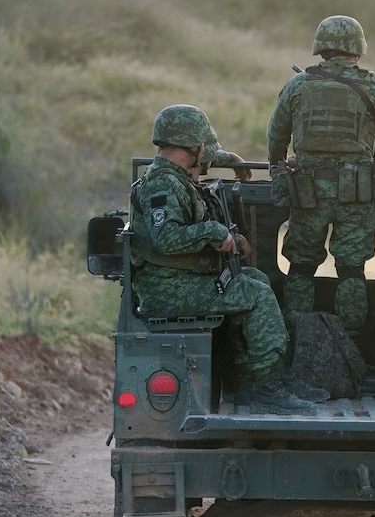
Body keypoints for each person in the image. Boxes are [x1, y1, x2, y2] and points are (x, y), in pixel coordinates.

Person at [130, 104, 316, 415]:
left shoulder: (174, 172)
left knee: (255, 279)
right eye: (205, 149)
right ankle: (266, 388)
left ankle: (251, 378)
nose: (207, 159)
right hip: (167, 290)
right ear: (192, 147)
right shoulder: (163, 184)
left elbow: (204, 156)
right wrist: (215, 232)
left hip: (177, 281)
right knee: (255, 295)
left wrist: (230, 159)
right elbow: (166, 239)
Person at [267, 15, 375, 335]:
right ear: (358, 50)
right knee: (352, 270)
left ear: (320, 50)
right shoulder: (374, 86)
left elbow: (276, 134)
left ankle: (298, 339)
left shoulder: (298, 86)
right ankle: (351, 345)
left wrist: (277, 169)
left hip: (307, 191)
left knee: (300, 267)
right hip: (356, 194)